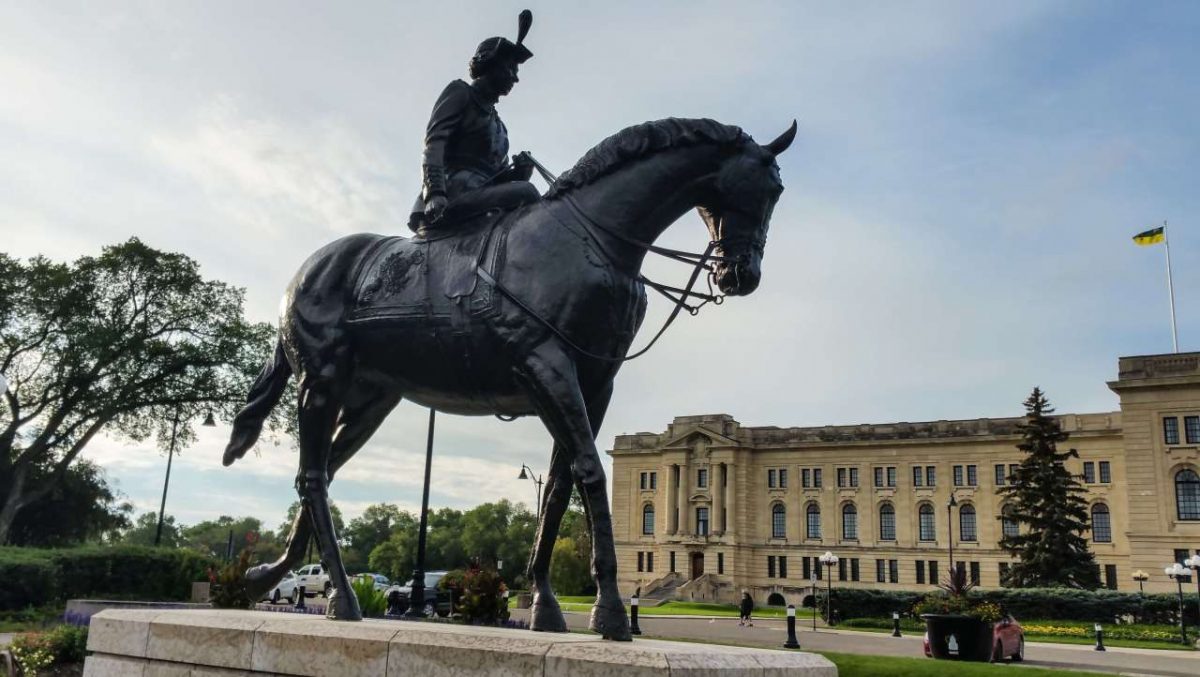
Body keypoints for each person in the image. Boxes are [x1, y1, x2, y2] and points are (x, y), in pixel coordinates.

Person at [409, 10, 541, 234]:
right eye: (510, 68)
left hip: (481, 197)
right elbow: (434, 142)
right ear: (489, 63)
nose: (515, 77)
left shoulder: (500, 127)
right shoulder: (461, 92)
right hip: (454, 193)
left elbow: (495, 176)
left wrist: (517, 174)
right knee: (527, 193)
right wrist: (435, 192)